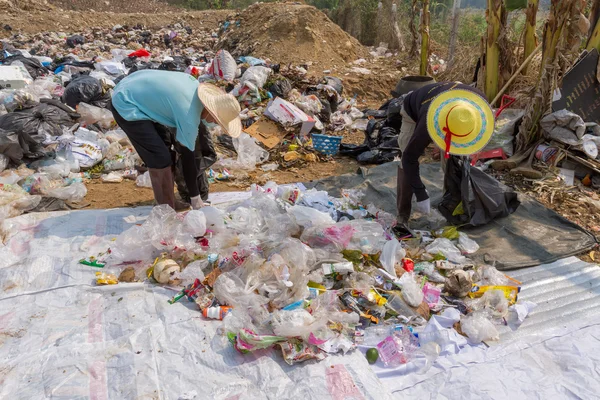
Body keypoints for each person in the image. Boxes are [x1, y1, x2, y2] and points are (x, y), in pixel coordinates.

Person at [110, 70, 241, 210]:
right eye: (216, 120)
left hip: (134, 87)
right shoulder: (189, 114)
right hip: (126, 102)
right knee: (160, 158)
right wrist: (195, 199)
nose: (214, 123)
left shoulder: (194, 87)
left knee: (166, 147)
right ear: (210, 111)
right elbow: (187, 158)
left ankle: (169, 201)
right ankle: (166, 209)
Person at [396, 81, 494, 225]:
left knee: (455, 161)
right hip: (413, 110)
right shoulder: (426, 124)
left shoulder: (480, 109)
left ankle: (452, 203)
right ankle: (402, 215)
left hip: (450, 108)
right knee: (407, 156)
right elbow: (409, 159)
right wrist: (421, 193)